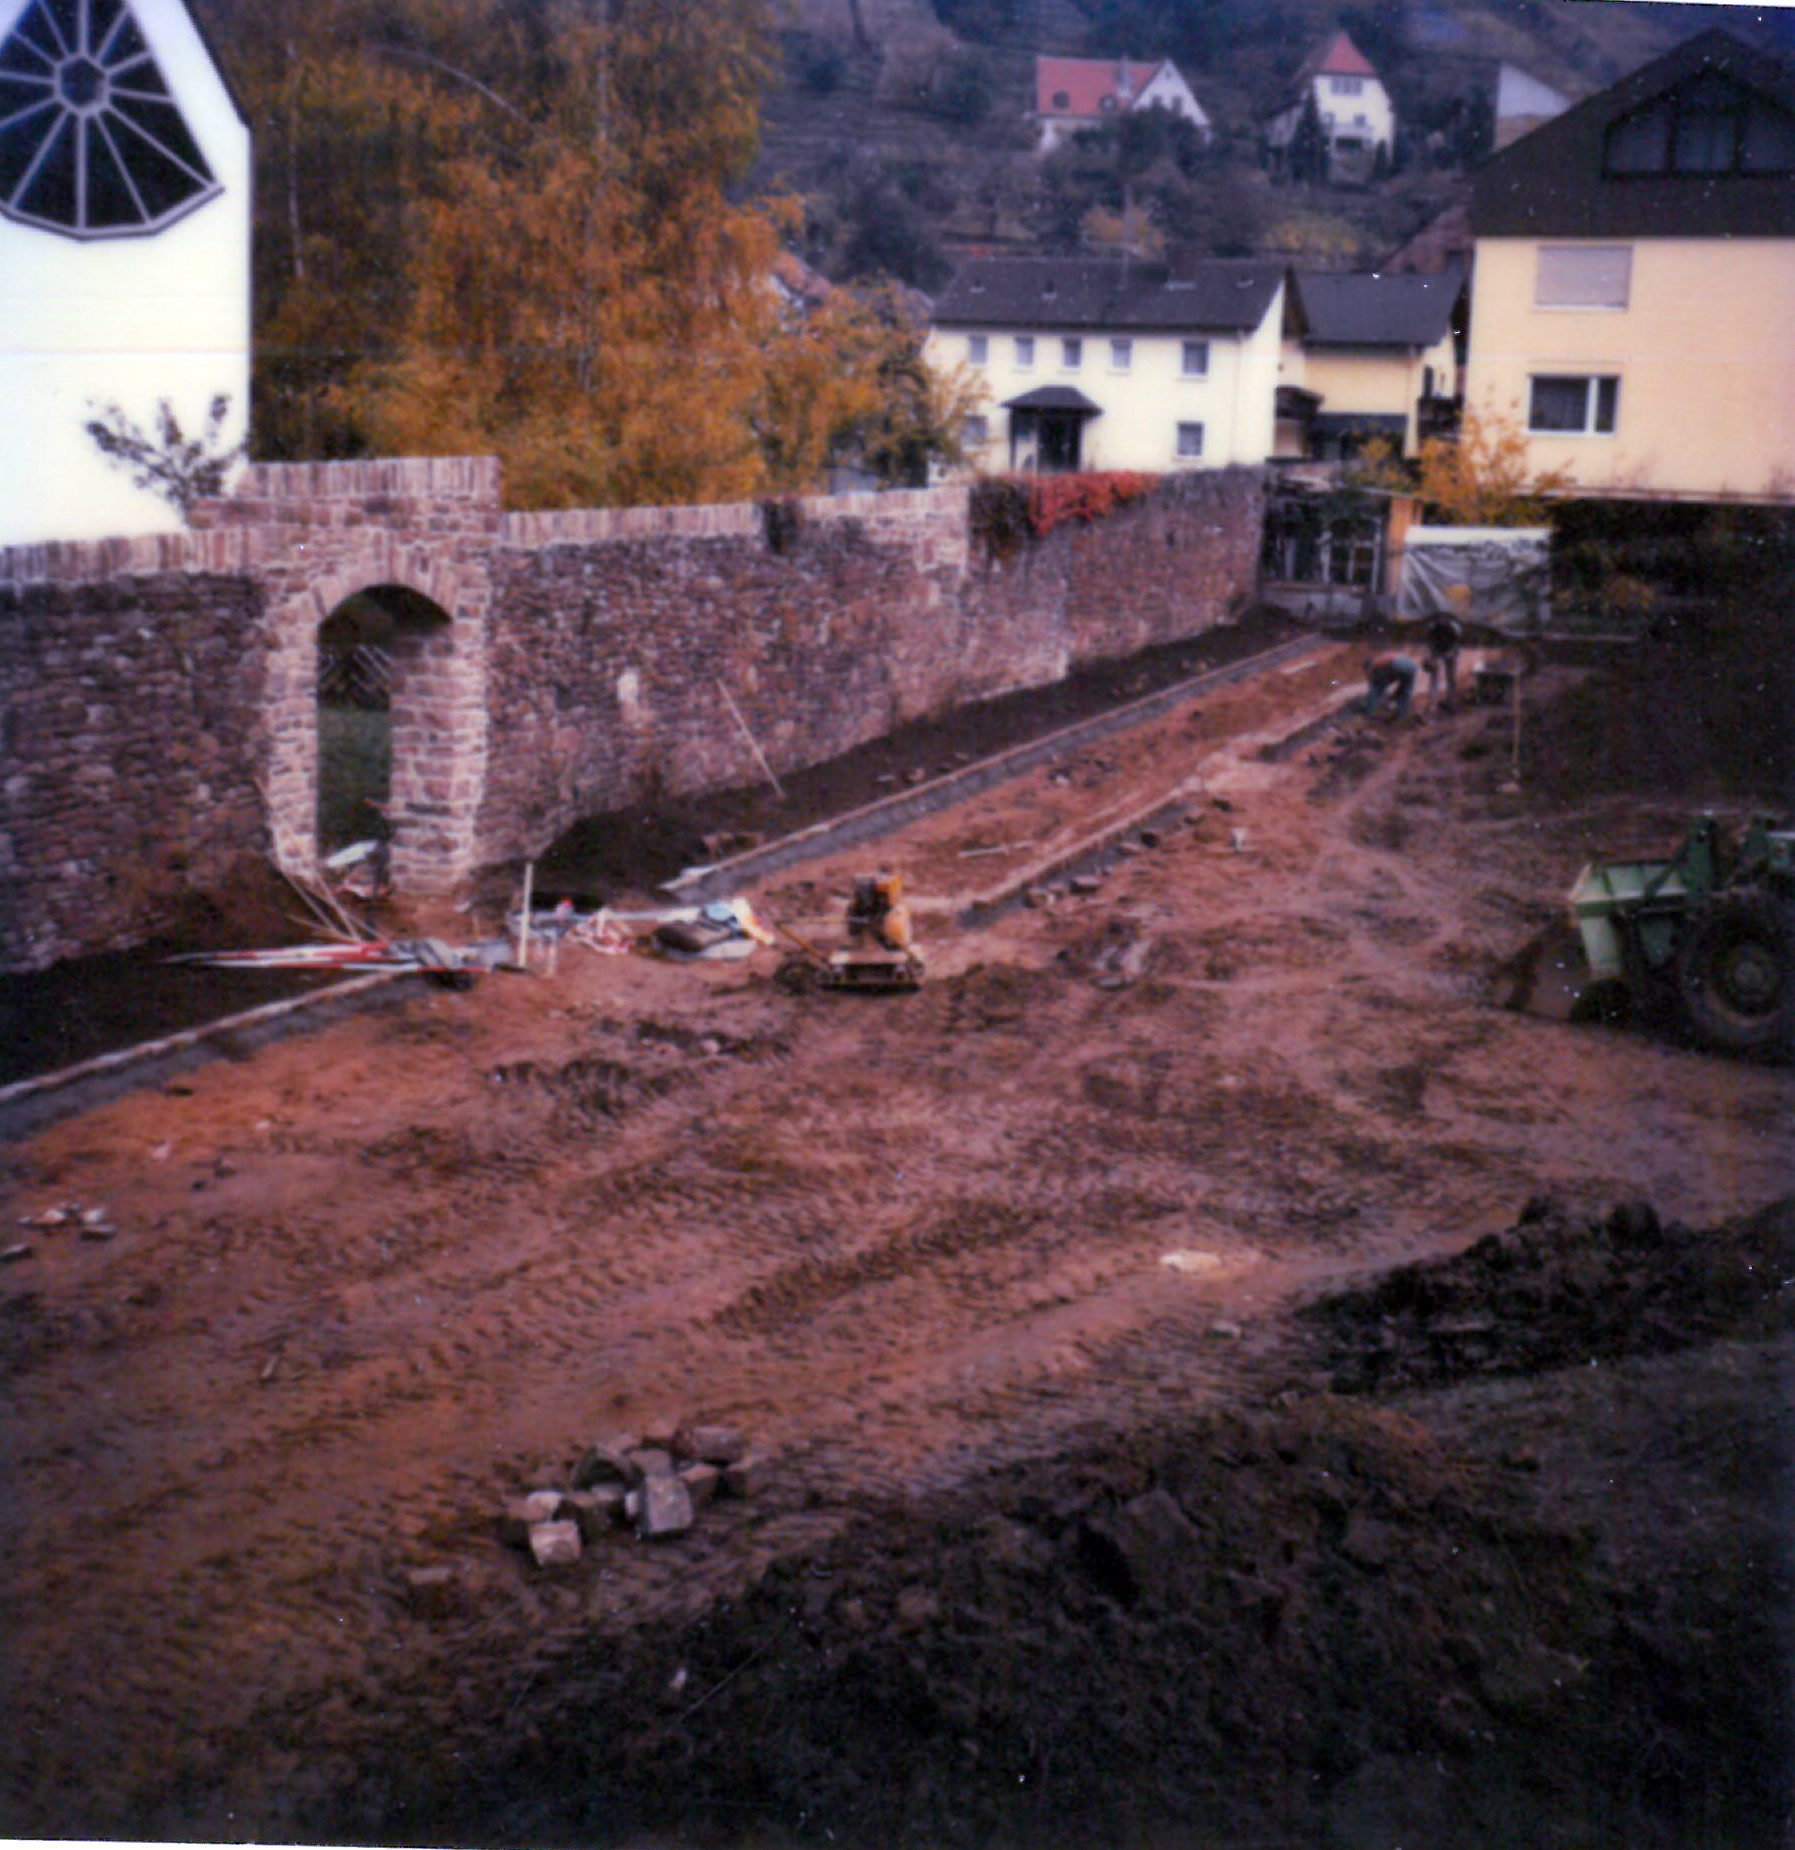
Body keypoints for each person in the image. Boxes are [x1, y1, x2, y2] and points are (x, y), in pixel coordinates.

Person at [1424, 608, 1463, 712]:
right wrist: (1430, 656)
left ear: (1448, 619)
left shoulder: (1454, 627)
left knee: (1451, 677)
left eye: (1444, 618)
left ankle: (1452, 702)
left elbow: (1457, 642)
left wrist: (1451, 652)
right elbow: (1429, 642)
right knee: (1434, 678)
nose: (1442, 620)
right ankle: (1433, 704)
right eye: (1440, 618)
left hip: (1451, 650)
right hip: (1437, 650)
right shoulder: (1433, 627)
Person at [1363, 652, 1419, 722]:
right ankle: (1401, 716)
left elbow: (1390, 657)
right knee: (1404, 693)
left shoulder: (1376, 662)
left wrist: (1372, 675)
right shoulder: (1381, 662)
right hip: (1412, 667)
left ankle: (1370, 712)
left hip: (1398, 665)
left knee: (1378, 687)